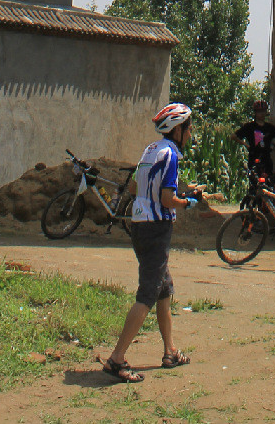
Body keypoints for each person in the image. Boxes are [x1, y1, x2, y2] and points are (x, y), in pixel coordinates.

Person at [101, 102, 198, 383]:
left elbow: (134, 186)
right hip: (156, 229)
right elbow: (168, 200)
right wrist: (188, 202)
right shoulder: (172, 156)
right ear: (177, 129)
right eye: (188, 127)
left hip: (141, 225)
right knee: (147, 294)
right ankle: (117, 359)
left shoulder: (151, 150)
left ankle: (170, 352)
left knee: (164, 289)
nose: (190, 133)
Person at [233, 99, 275, 180]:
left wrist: (273, 145)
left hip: (266, 160)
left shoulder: (270, 127)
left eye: (263, 111)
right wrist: (246, 145)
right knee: (254, 184)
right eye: (259, 111)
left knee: (268, 183)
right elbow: (234, 136)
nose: (262, 113)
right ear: (255, 113)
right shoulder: (249, 126)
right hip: (254, 159)